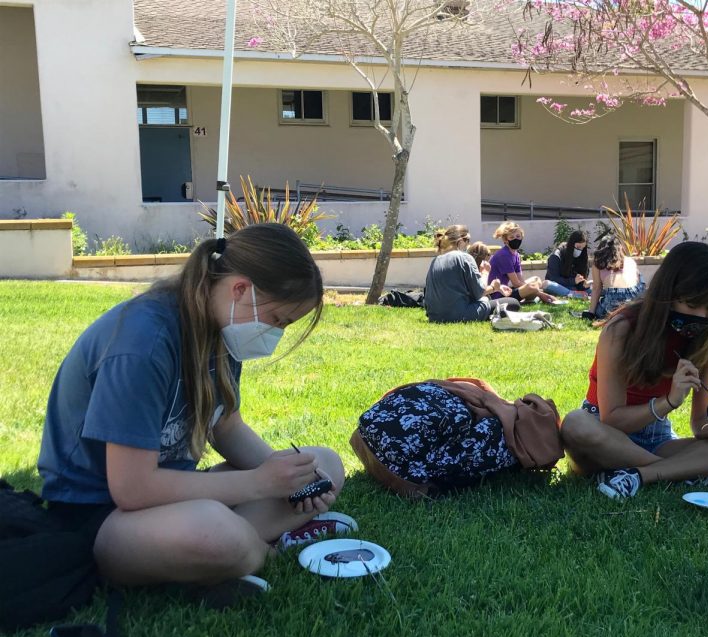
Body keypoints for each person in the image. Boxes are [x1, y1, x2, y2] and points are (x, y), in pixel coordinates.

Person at [37, 223, 347, 589]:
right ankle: (256, 552)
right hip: (101, 517)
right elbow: (132, 489)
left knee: (325, 464)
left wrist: (292, 482)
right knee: (215, 535)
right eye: (278, 320)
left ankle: (232, 552)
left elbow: (226, 427)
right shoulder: (143, 344)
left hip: (177, 499)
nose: (276, 334)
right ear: (240, 289)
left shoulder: (222, 326)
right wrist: (259, 483)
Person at [560, 241, 708, 500]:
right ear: (668, 294)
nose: (702, 317)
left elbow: (699, 422)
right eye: (692, 306)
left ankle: (638, 475)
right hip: (605, 437)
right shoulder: (621, 330)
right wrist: (668, 402)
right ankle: (688, 472)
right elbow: (611, 419)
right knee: (574, 423)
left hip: (658, 440)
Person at [424, 225, 520, 323]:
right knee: (513, 303)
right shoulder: (465, 257)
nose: (468, 246)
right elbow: (479, 292)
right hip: (458, 315)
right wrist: (485, 272)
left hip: (434, 316)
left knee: (486, 299)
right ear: (461, 242)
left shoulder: (435, 261)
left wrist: (495, 288)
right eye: (468, 241)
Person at [487, 221, 556, 304]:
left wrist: (534, 289)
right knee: (531, 287)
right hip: (498, 295)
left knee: (536, 279)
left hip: (507, 290)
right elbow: (516, 283)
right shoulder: (503, 255)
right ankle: (532, 297)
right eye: (511, 237)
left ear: (521, 237)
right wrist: (540, 293)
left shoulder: (516, 255)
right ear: (506, 240)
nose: (515, 239)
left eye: (518, 236)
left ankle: (531, 297)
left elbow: (520, 280)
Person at [584, 232, 645, 320]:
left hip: (614, 299)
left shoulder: (598, 263)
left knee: (599, 308)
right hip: (635, 298)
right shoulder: (630, 260)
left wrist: (591, 312)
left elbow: (597, 288)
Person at [544, 230, 591, 298]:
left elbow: (581, 276)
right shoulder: (556, 256)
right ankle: (573, 294)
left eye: (582, 248)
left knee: (590, 290)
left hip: (573, 287)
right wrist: (573, 281)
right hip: (558, 286)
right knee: (547, 284)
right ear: (572, 244)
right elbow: (554, 279)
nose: (580, 251)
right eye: (578, 247)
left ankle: (575, 293)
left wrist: (583, 284)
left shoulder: (581, 256)